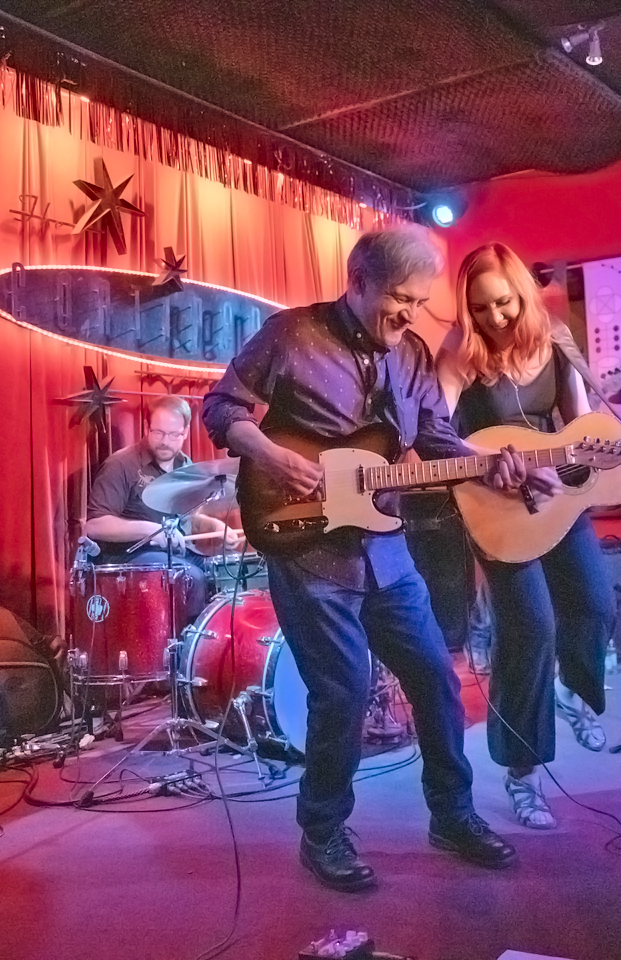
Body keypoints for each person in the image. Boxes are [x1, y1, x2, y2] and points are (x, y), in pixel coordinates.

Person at [201, 227, 520, 892]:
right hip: (309, 549)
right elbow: (222, 407)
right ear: (358, 283)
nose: (408, 313)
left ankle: (452, 815)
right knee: (341, 693)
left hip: (386, 548)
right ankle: (322, 831)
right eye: (399, 298)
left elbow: (434, 437)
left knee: (435, 678)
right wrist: (269, 454)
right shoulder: (291, 335)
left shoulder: (410, 355)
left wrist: (493, 466)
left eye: (418, 302)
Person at [435, 242, 621, 830]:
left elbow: (584, 431)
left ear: (523, 293)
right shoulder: (460, 350)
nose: (494, 319)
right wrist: (485, 460)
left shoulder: (553, 338)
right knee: (530, 629)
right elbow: (434, 430)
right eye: (479, 309)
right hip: (496, 505)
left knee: (596, 606)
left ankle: (573, 692)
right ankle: (523, 776)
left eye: (503, 303)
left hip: (554, 498)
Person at [83, 394, 236, 619]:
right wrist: (150, 531)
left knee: (225, 572)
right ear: (147, 427)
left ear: (185, 433)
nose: (165, 441)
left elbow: (186, 520)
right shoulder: (121, 465)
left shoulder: (185, 466)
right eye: (159, 432)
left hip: (172, 554)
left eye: (174, 434)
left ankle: (209, 647)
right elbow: (94, 526)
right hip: (127, 557)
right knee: (189, 576)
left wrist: (216, 528)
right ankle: (181, 650)